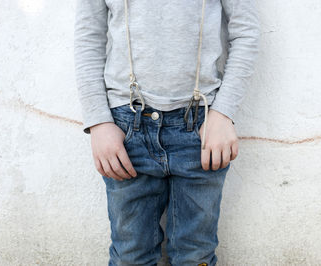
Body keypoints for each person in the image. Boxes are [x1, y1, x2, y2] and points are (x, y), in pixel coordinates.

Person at [74, 0, 261, 265]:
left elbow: (246, 31)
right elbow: (88, 37)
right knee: (130, 256)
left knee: (195, 255)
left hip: (202, 126)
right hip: (126, 128)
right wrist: (99, 122)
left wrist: (223, 113)